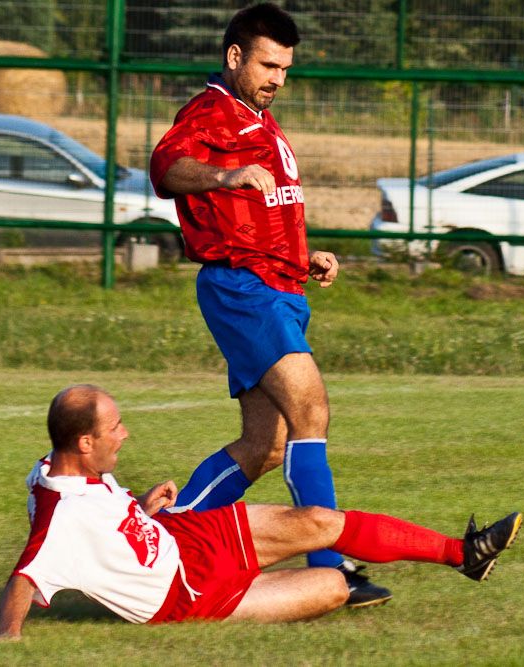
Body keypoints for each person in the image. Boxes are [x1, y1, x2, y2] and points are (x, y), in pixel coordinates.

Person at [147, 2, 389, 606]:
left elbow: (263, 210)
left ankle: (161, 542)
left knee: (265, 445)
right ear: (234, 57)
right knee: (312, 411)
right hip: (243, 289)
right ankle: (331, 568)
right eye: (266, 63)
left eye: (284, 67)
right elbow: (165, 166)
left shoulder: (259, 119)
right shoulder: (211, 111)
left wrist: (305, 257)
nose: (277, 77)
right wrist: (222, 178)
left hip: (276, 284)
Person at [0, 386, 524, 639]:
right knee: (333, 588)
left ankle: (463, 553)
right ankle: (451, 556)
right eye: (115, 427)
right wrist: (7, 638)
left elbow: (101, 515)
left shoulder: (62, 468)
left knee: (316, 521)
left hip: (188, 538)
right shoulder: (58, 514)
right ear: (84, 441)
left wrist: (141, 507)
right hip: (187, 593)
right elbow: (26, 574)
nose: (125, 432)